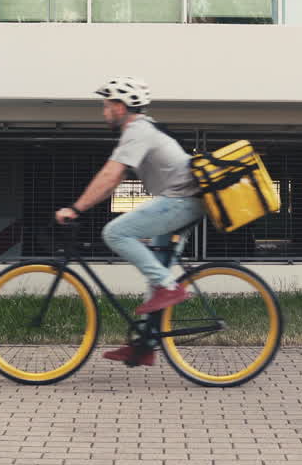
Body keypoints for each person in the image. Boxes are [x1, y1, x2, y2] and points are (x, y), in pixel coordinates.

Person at [54, 76, 204, 366]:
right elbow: (113, 180)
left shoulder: (138, 130)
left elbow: (110, 174)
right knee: (154, 274)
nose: (103, 111)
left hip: (181, 202)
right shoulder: (142, 131)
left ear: (121, 107)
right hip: (185, 202)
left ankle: (170, 287)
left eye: (107, 105)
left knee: (115, 233)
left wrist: (75, 208)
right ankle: (144, 345)